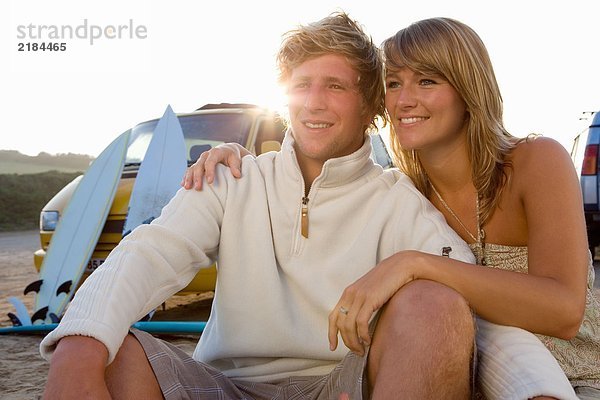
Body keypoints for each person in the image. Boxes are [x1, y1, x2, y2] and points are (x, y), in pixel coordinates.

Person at [40, 12, 477, 399]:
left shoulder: (399, 201)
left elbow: (471, 302)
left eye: (336, 86)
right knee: (110, 350)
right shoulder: (231, 178)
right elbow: (152, 250)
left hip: (341, 384)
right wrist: (77, 348)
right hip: (225, 385)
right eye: (302, 84)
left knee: (435, 307)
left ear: (369, 107)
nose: (314, 102)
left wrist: (538, 390)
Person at [182, 16, 600, 399]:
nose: (404, 100)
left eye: (427, 81)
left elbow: (562, 312)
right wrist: (238, 156)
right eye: (394, 83)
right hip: (467, 368)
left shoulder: (534, 161)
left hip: (568, 374)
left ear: (468, 88)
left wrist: (415, 264)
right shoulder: (407, 190)